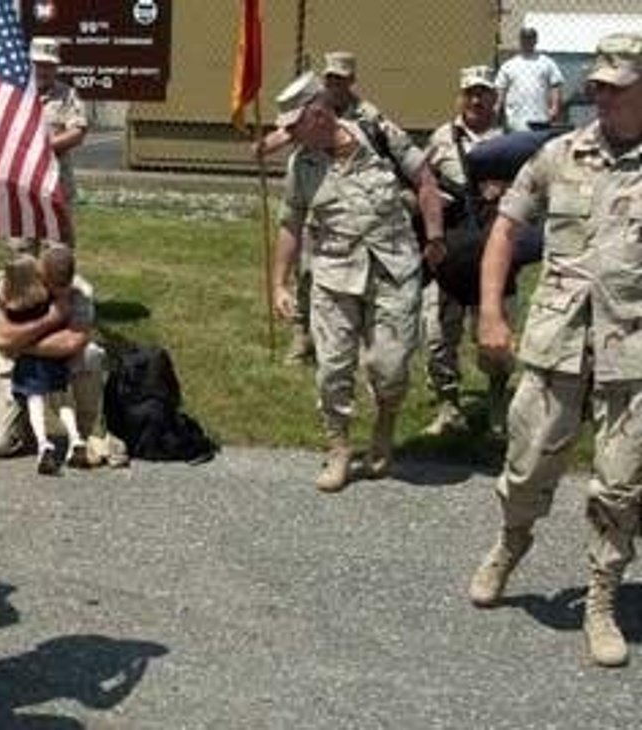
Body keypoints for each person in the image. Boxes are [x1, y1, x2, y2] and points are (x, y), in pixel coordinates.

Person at [468, 32, 642, 668]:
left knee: (622, 484)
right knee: (526, 465)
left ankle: (602, 596)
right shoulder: (558, 155)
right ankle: (511, 543)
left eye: (617, 88)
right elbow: (505, 229)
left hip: (634, 351)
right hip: (557, 342)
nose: (603, 97)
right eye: (597, 87)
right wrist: (493, 311)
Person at [271, 71, 445, 493]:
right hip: (334, 275)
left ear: (318, 114)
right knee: (332, 368)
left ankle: (384, 429)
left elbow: (425, 180)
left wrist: (436, 236)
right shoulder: (302, 164)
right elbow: (291, 222)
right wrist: (279, 283)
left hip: (394, 269)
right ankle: (338, 448)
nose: (289, 136)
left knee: (390, 366)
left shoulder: (379, 134)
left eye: (294, 126)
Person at [256, 51, 415, 366]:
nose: (334, 84)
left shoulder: (367, 115)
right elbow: (286, 133)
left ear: (351, 81)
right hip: (320, 202)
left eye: (340, 79)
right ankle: (303, 334)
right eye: (330, 78)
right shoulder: (310, 107)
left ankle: (366, 340)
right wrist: (267, 144)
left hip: (366, 212)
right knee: (308, 273)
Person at [421, 65, 509, 437]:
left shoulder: (510, 141)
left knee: (495, 332)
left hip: (494, 250)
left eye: (483, 93)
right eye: (470, 92)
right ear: (461, 96)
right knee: (438, 331)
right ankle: (448, 405)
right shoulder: (442, 139)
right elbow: (421, 181)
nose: (476, 99)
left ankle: (497, 403)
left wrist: (504, 189)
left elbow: (535, 193)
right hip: (451, 249)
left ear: (495, 97)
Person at [0, 246, 123, 467]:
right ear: (39, 273)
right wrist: (51, 319)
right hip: (16, 364)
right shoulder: (10, 284)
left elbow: (73, 341)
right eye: (52, 286)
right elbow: (2, 340)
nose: (60, 292)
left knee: (91, 354)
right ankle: (23, 427)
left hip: (59, 361)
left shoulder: (80, 291)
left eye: (64, 287)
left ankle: (83, 435)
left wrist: (22, 344)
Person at [0, 250, 91, 474]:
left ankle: (43, 444)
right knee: (62, 401)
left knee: (35, 401)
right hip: (56, 361)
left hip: (31, 365)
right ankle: (76, 439)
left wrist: (22, 345)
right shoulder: (60, 302)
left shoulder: (20, 304)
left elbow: (6, 335)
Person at [7, 36, 88, 255]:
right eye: (39, 65)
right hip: (21, 185)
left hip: (55, 186)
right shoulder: (13, 94)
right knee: (22, 251)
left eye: (49, 66)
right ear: (29, 64)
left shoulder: (67, 95)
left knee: (57, 251)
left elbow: (78, 132)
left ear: (56, 67)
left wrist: (43, 147)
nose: (43, 71)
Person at [495, 27, 565, 132]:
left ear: (536, 40)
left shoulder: (547, 63)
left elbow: (556, 85)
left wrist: (555, 108)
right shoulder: (508, 65)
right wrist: (497, 109)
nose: (527, 41)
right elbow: (501, 90)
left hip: (541, 120)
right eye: (525, 38)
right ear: (520, 40)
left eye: (530, 38)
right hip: (514, 122)